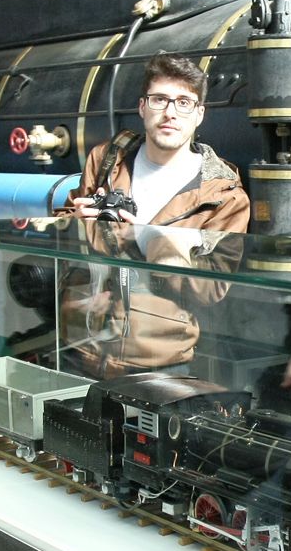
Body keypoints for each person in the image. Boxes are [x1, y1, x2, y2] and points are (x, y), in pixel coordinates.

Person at [59, 53, 250, 378]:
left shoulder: (223, 197)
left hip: (159, 364)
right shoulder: (105, 162)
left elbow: (212, 289)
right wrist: (74, 219)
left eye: (183, 102)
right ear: (142, 107)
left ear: (199, 114)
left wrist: (150, 239)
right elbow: (64, 238)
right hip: (80, 349)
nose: (170, 113)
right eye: (160, 99)